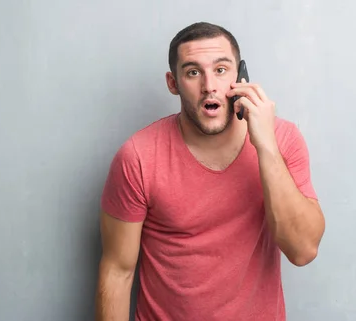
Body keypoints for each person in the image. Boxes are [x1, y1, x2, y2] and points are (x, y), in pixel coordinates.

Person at [95, 21, 326, 321]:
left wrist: (265, 146)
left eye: (220, 70)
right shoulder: (137, 157)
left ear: (240, 76)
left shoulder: (282, 140)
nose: (209, 86)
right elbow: (117, 271)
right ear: (173, 83)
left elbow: (303, 250)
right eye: (193, 72)